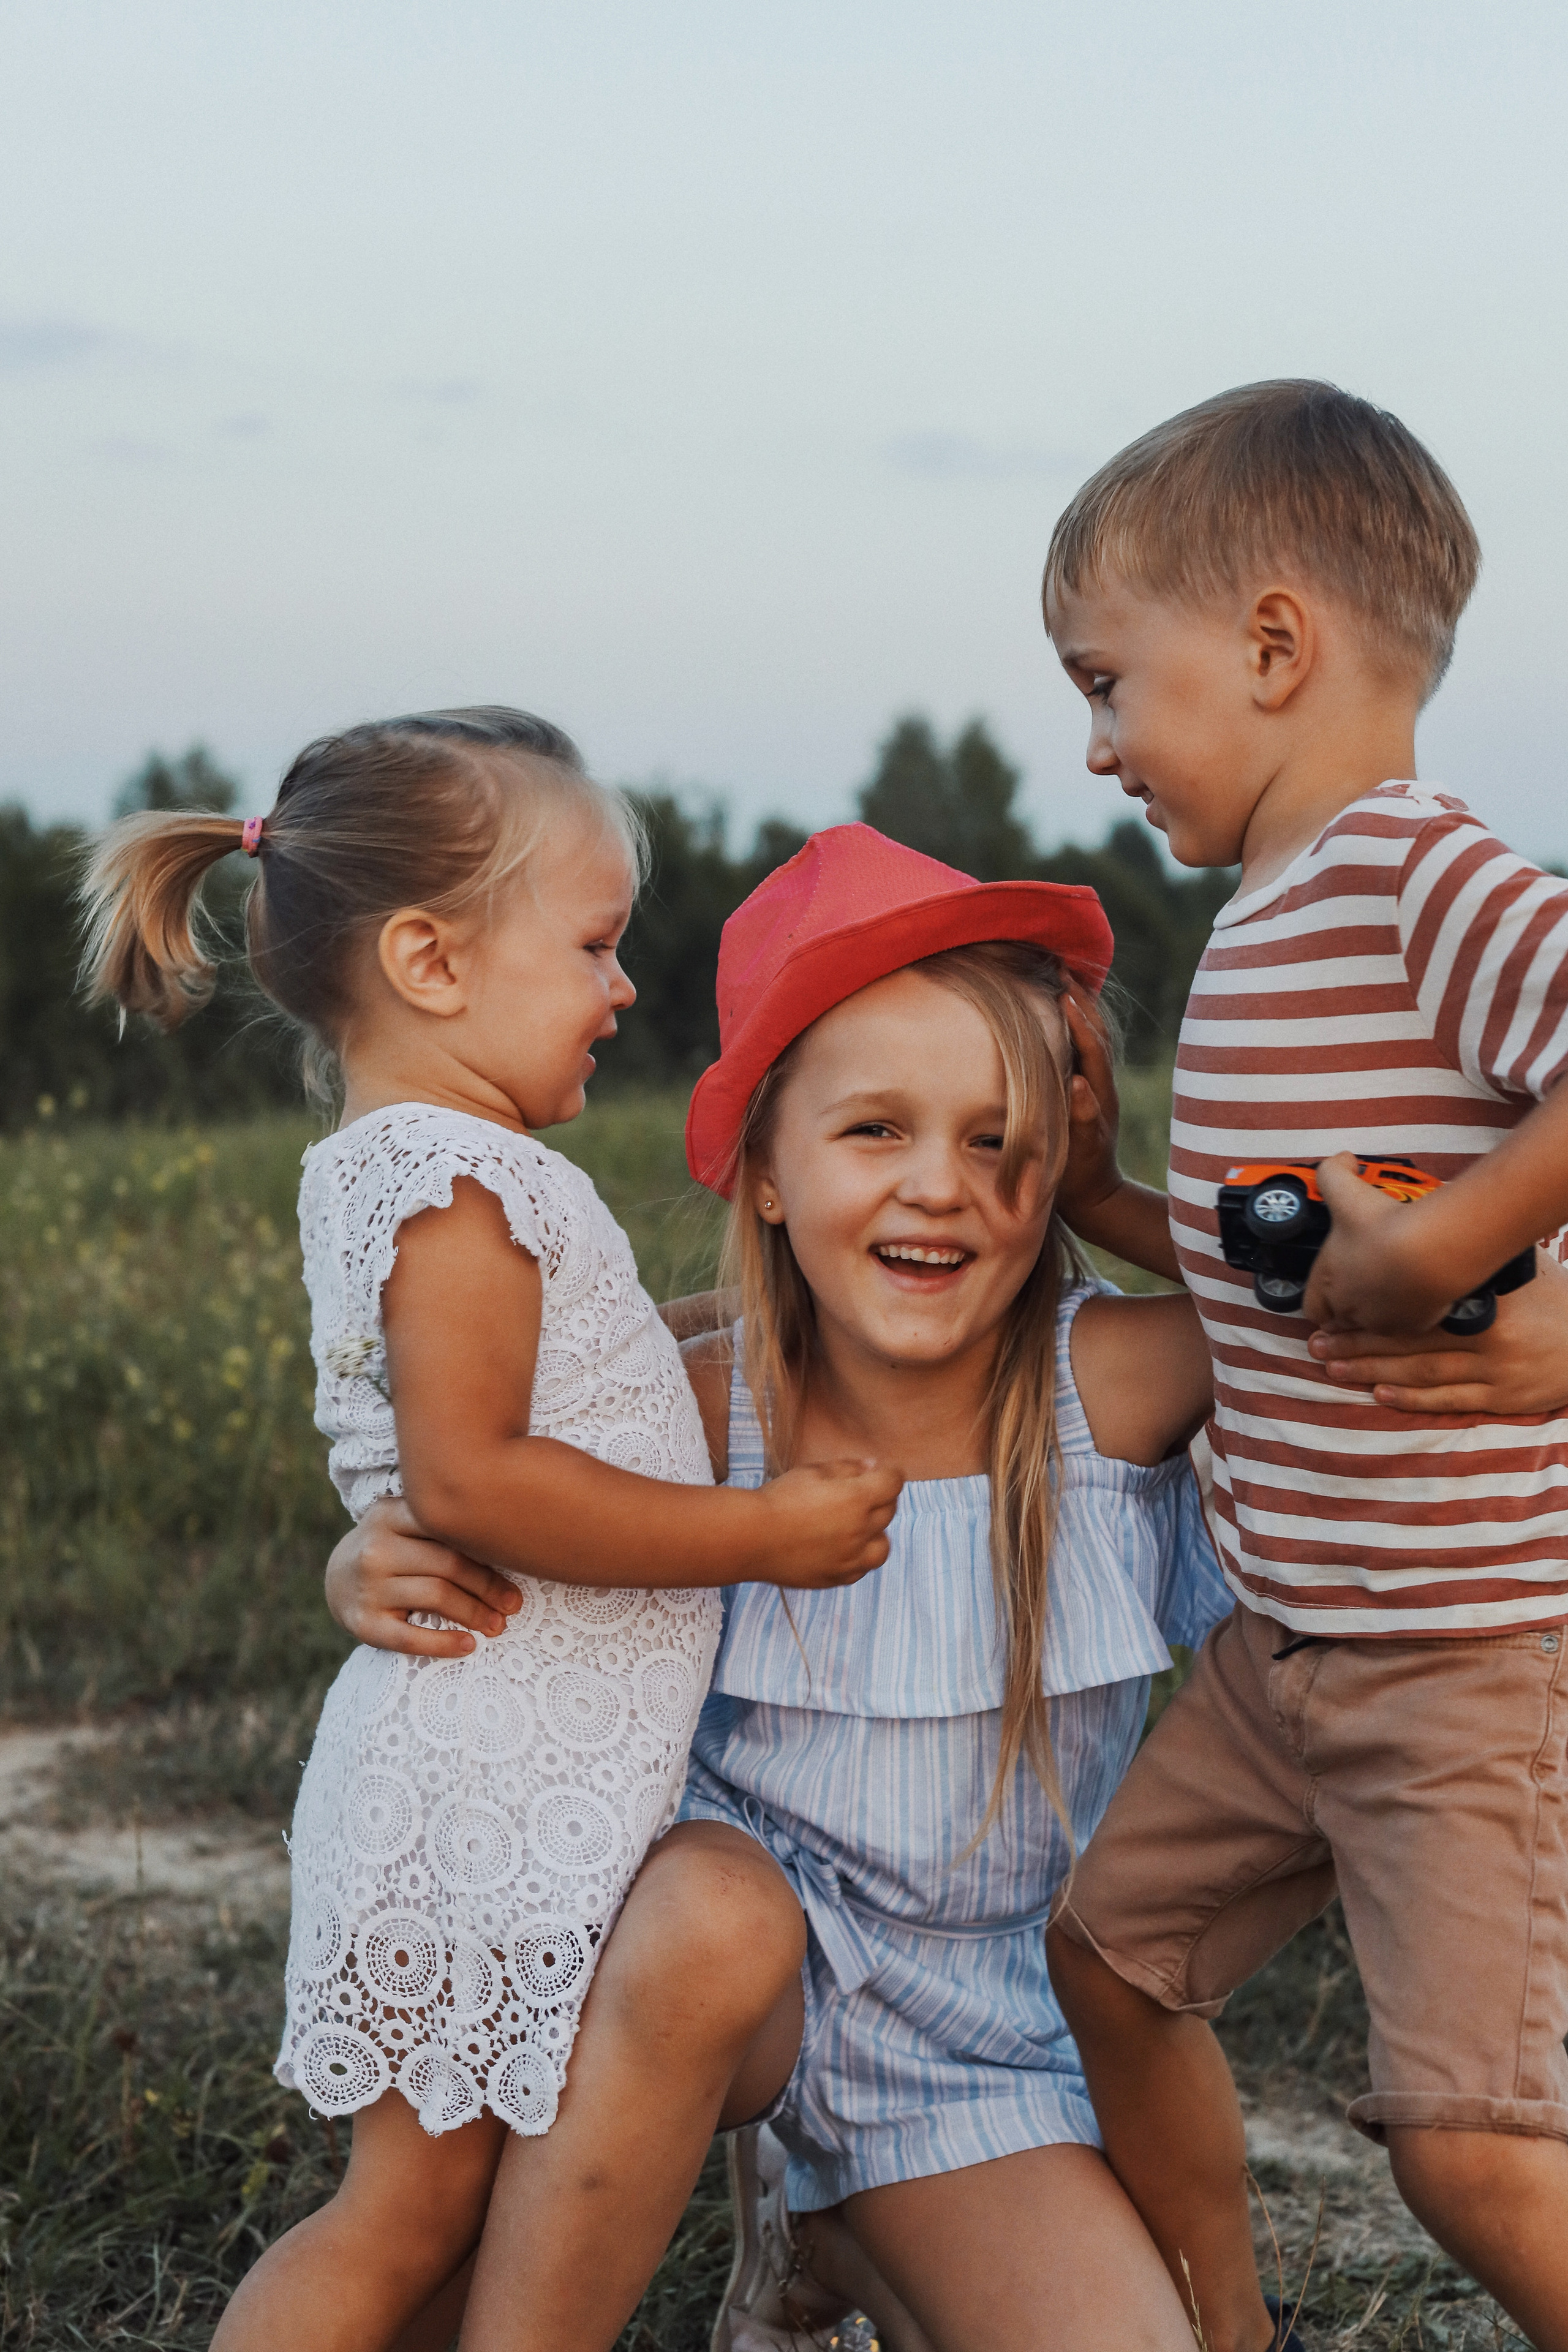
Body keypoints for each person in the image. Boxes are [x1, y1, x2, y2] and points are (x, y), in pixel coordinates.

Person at [325, 823, 1526, 2351]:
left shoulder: (1114, 1385)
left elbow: (1345, 1307)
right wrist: (364, 1553)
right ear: (765, 1169)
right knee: (706, 1920)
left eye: (995, 1144)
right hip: (717, 1983)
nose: (938, 1189)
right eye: (873, 1131)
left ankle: (820, 2235)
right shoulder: (685, 1409)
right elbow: (469, 1467)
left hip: (984, 2047)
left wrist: (1118, 1199)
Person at [78, 709, 900, 2352]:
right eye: (593, 945)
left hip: (505, 1783)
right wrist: (758, 1530)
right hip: (480, 1791)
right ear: (430, 963)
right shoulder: (457, 1183)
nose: (624, 986)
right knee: (400, 2218)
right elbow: (477, 1482)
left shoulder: (437, 1166)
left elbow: (577, 1392)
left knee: (443, 2215)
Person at [1041, 380, 1568, 2352]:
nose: (1096, 746)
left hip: (1464, 1654)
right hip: (1286, 1651)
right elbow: (1278, 1277)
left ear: (1275, 647)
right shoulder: (1265, 921)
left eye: (1109, 684)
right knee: (1109, 1966)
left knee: (1473, 2153)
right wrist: (1104, 1195)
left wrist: (1454, 1235)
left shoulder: (1417, 874)